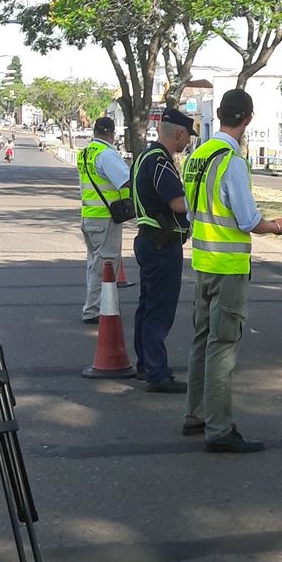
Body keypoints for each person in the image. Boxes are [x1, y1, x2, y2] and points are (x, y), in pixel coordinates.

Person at [181, 88, 282, 453]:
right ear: (248, 118)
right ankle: (219, 428)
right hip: (228, 266)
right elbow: (248, 220)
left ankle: (195, 414)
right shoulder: (232, 161)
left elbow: (193, 211)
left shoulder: (197, 155)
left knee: (201, 341)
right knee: (222, 347)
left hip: (202, 262)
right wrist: (276, 226)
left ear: (221, 114)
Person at [130, 107, 196, 393]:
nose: (188, 142)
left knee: (147, 306)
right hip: (161, 244)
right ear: (179, 134)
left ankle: (146, 365)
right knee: (159, 310)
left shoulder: (144, 156)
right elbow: (178, 203)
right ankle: (157, 373)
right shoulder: (160, 162)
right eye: (188, 137)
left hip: (149, 241)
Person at [77, 116, 131, 325]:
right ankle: (96, 310)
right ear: (111, 133)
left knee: (94, 264)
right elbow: (125, 181)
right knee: (106, 265)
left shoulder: (86, 152)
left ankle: (99, 307)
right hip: (106, 218)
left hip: (90, 215)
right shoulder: (106, 154)